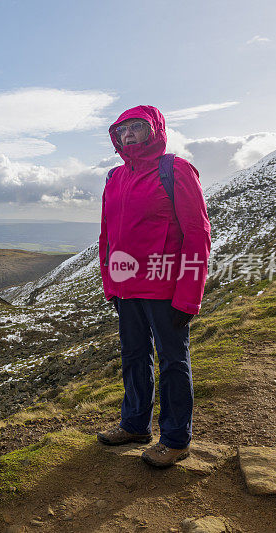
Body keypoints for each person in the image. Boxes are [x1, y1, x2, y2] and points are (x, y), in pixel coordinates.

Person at [96, 105, 211, 468]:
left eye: (137, 128)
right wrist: (110, 284)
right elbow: (107, 236)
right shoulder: (114, 178)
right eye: (122, 130)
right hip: (126, 288)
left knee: (173, 362)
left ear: (155, 130)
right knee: (133, 357)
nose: (128, 135)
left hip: (166, 289)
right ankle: (134, 425)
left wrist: (189, 296)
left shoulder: (176, 170)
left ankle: (176, 439)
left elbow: (198, 235)